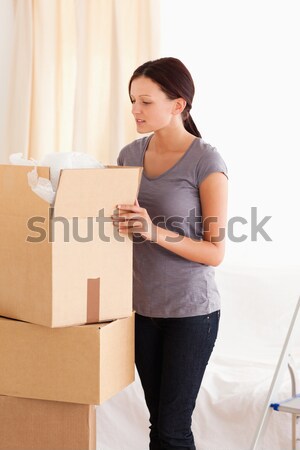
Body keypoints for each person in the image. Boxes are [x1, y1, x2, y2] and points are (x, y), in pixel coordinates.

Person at [112, 57, 228, 450]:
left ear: (177, 105)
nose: (134, 111)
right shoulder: (129, 155)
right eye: (132, 101)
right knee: (158, 425)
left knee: (173, 429)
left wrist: (153, 231)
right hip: (142, 311)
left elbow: (215, 252)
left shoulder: (206, 160)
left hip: (191, 314)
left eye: (145, 102)